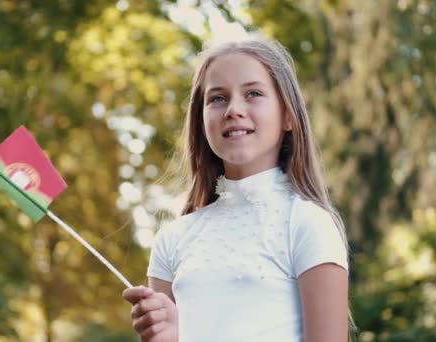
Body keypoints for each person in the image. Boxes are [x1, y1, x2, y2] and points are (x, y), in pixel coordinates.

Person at [123, 34, 350, 342]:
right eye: (217, 98)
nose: (233, 109)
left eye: (253, 93)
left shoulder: (307, 225)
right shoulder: (172, 241)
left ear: (287, 115)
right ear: (201, 119)